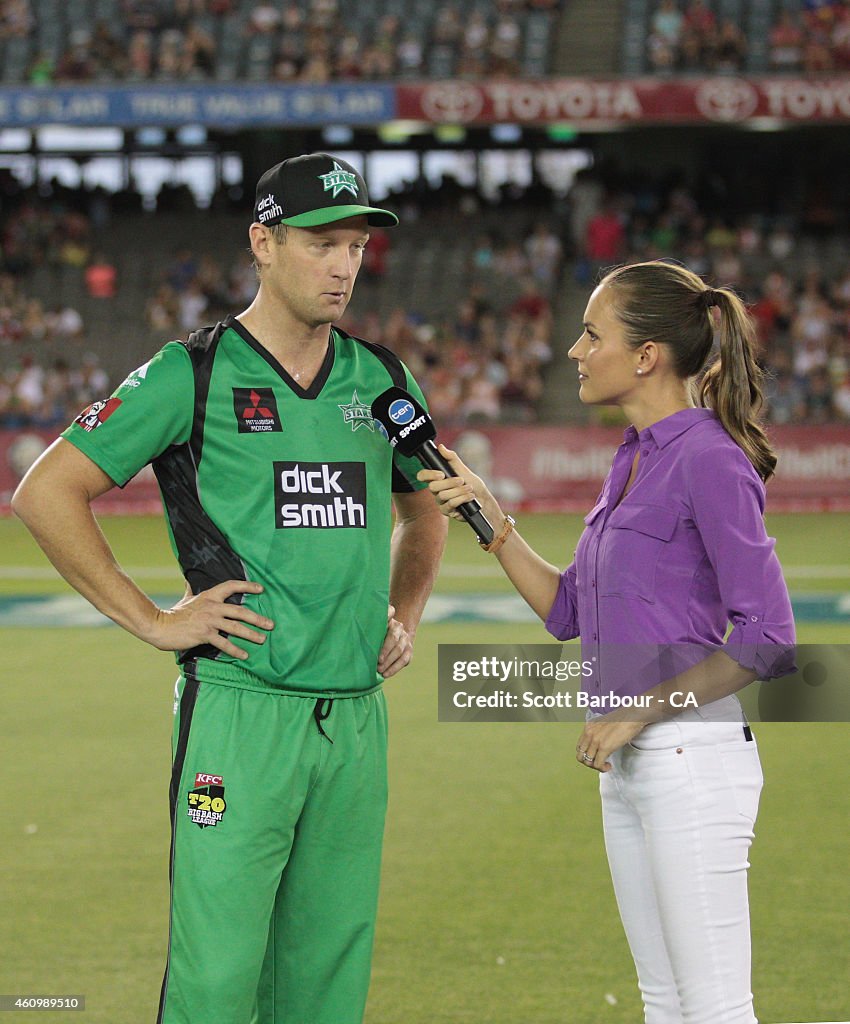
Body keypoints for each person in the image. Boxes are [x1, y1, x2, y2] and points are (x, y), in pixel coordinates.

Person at [12, 152, 447, 1024]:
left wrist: (400, 612)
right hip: (238, 720)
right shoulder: (192, 372)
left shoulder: (382, 379)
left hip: (355, 721)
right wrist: (150, 620)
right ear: (264, 241)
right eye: (323, 243)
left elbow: (429, 507)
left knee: (326, 981)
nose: (344, 265)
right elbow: (45, 491)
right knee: (215, 981)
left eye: (357, 246)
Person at [419, 260, 795, 1024]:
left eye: (593, 334)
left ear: (647, 354)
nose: (575, 350)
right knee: (665, 1006)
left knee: (715, 1010)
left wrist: (643, 709)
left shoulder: (711, 458)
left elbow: (768, 637)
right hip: (629, 769)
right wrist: (489, 517)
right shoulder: (632, 457)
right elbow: (568, 611)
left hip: (693, 763)